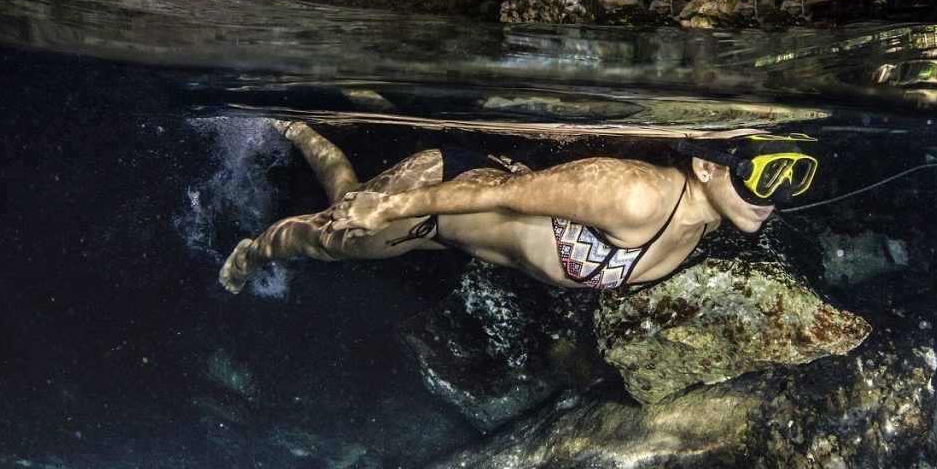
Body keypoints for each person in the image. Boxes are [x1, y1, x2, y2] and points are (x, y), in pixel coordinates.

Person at [219, 123, 818, 294]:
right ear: (709, 166)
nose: (780, 198)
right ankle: (253, 246)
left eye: (795, 177)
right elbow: (501, 196)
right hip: (442, 193)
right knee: (333, 238)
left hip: (453, 229)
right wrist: (393, 207)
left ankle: (312, 143)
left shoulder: (701, 222)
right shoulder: (637, 194)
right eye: (766, 176)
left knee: (344, 208)